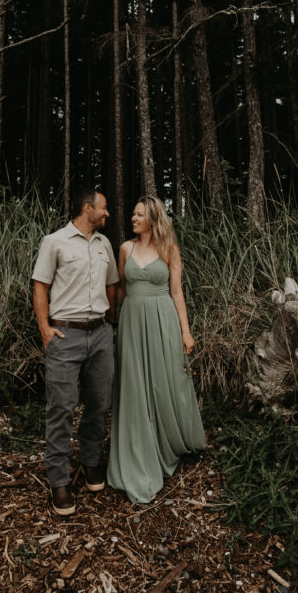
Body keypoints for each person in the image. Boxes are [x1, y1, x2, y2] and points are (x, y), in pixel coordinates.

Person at [107, 194, 206, 504]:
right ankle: (138, 450)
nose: (133, 218)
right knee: (135, 386)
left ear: (152, 218)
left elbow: (177, 293)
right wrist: (111, 320)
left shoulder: (169, 249)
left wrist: (185, 332)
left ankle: (170, 442)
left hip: (163, 320)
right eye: (133, 214)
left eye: (139, 215)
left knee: (167, 381)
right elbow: (121, 288)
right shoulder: (125, 248)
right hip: (133, 322)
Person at [32, 188, 119, 516]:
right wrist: (45, 329)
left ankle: (92, 461)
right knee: (62, 409)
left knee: (99, 404)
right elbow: (40, 285)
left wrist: (110, 322)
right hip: (65, 335)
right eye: (104, 208)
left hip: (99, 335)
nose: (107, 214)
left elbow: (111, 285)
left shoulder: (104, 244)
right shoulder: (54, 242)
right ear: (88, 208)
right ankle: (59, 480)